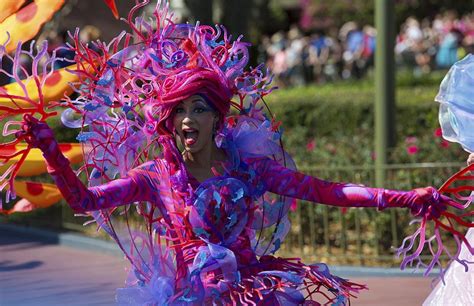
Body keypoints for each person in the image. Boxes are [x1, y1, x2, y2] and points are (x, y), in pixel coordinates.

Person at [11, 2, 472, 305]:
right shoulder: (155, 176)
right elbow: (85, 202)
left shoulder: (249, 169)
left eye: (198, 109)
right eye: (179, 111)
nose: (188, 119)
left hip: (254, 295)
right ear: (168, 121)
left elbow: (328, 191)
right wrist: (52, 152)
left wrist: (401, 196)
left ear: (217, 118)